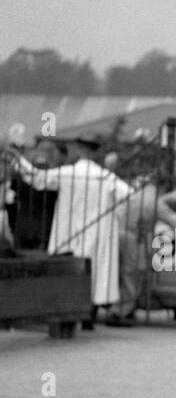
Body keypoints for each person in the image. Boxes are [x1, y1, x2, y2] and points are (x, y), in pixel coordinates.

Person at [8, 134, 134, 321]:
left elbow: (37, 179)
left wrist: (19, 160)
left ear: (80, 150)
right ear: (96, 152)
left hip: (69, 231)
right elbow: (128, 196)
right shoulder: (106, 176)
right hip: (97, 231)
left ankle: (71, 311)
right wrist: (113, 217)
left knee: (71, 271)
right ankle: (89, 313)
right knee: (94, 271)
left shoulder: (68, 173)